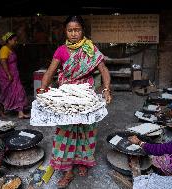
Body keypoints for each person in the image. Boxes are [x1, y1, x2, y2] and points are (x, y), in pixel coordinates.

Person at [38, 16, 112, 188]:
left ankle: (83, 162)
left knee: (86, 130)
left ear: (82, 30)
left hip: (85, 95)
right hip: (67, 96)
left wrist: (106, 88)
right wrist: (42, 89)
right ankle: (68, 170)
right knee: (65, 132)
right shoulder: (61, 50)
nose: (73, 34)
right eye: (70, 30)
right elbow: (50, 72)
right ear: (65, 31)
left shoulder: (90, 48)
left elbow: (104, 70)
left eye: (77, 30)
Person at [0, 32, 29, 119]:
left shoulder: (11, 49)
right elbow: (3, 62)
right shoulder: (4, 49)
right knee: (6, 92)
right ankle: (1, 110)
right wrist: (8, 74)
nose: (16, 42)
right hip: (6, 74)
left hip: (14, 74)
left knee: (19, 91)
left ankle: (20, 113)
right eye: (14, 40)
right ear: (9, 40)